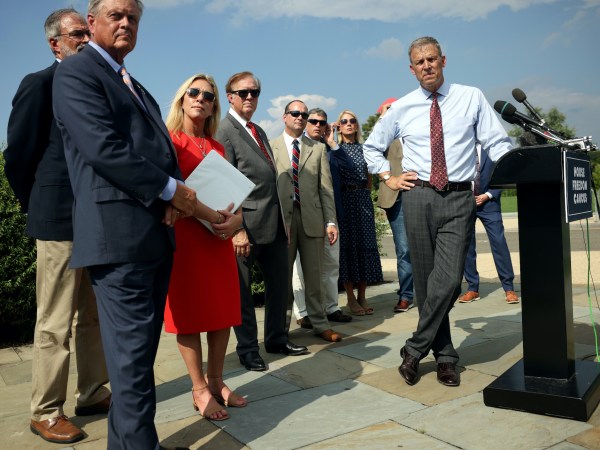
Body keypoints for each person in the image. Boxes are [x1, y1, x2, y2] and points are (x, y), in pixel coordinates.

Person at [52, 0, 197, 448]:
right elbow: (104, 149)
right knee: (132, 367)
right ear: (91, 23)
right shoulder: (77, 73)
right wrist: (173, 192)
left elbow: (157, 152)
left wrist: (170, 199)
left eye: (133, 17)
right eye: (115, 15)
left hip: (151, 236)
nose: (126, 23)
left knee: (135, 364)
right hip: (119, 240)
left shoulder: (133, 83)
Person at [363, 36, 512, 388]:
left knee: (448, 281)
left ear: (443, 60)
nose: (427, 65)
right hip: (418, 197)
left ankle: (414, 348)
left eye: (432, 59)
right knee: (429, 286)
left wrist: (514, 166)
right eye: (420, 61)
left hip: (459, 198)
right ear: (411, 68)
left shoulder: (471, 96)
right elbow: (372, 148)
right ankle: (445, 357)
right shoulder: (401, 107)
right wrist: (389, 176)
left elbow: (498, 140)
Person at [4, 8, 111, 445]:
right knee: (54, 322)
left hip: (96, 219)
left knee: (92, 316)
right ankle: (46, 411)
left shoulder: (99, 84)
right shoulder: (39, 83)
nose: (86, 38)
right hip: (58, 221)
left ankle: (92, 392)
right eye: (77, 33)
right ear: (55, 43)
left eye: (88, 32)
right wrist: (38, 207)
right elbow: (18, 157)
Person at [164, 74, 248, 422]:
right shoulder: (169, 141)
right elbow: (171, 196)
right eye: (193, 92)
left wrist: (237, 222)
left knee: (221, 312)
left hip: (218, 240)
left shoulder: (217, 147)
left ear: (214, 105)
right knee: (189, 314)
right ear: (182, 99)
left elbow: (235, 197)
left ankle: (216, 381)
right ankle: (198, 388)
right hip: (185, 240)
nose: (200, 98)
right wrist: (214, 215)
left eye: (208, 96)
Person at [215, 72, 308, 372]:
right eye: (243, 92)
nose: (250, 97)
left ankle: (277, 338)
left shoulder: (256, 130)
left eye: (255, 92)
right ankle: (247, 349)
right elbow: (224, 182)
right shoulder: (224, 131)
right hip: (245, 227)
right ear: (229, 95)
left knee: (279, 286)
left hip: (274, 223)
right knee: (242, 294)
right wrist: (237, 228)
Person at [270, 100, 343, 343]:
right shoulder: (272, 147)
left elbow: (326, 189)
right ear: (284, 117)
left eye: (304, 114)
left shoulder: (317, 149)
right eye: (295, 113)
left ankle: (320, 324)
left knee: (315, 276)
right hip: (283, 221)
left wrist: (330, 221)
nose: (300, 118)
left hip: (312, 219)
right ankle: (281, 329)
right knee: (282, 280)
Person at [292, 107, 352, 329]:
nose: (317, 125)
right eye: (313, 121)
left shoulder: (330, 150)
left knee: (330, 264)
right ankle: (303, 312)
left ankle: (331, 307)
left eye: (322, 122)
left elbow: (352, 170)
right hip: (304, 216)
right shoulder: (298, 147)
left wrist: (333, 143)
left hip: (331, 216)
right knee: (300, 268)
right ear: (306, 123)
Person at [335, 110, 384, 316]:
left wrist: (366, 196)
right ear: (339, 126)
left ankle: (363, 296)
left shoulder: (365, 149)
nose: (348, 124)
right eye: (344, 121)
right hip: (345, 202)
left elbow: (370, 178)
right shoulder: (336, 150)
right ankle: (350, 298)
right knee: (348, 249)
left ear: (356, 125)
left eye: (352, 121)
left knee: (365, 246)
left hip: (363, 200)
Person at [457, 145, 519, 305]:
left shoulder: (492, 149)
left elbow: (503, 176)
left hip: (489, 203)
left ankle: (509, 288)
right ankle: (472, 288)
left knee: (499, 244)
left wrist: (488, 195)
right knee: (467, 247)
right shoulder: (460, 147)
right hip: (464, 202)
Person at [375, 98, 415, 314]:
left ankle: (432, 292)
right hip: (396, 197)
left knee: (427, 246)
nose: (393, 111)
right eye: (388, 108)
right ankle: (406, 295)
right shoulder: (384, 135)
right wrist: (383, 121)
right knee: (404, 249)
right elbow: (371, 155)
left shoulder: (414, 128)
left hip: (420, 193)